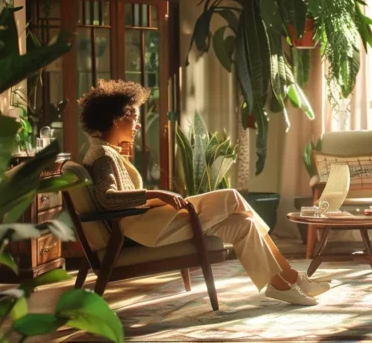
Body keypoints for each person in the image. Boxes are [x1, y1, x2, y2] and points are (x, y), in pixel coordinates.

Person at [79, 80, 326, 305]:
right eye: (134, 117)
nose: (138, 125)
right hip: (146, 229)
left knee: (245, 224)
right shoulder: (102, 156)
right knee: (231, 197)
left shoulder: (104, 151)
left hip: (152, 223)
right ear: (117, 119)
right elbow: (108, 199)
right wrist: (156, 195)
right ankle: (291, 278)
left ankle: (283, 283)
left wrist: (155, 198)